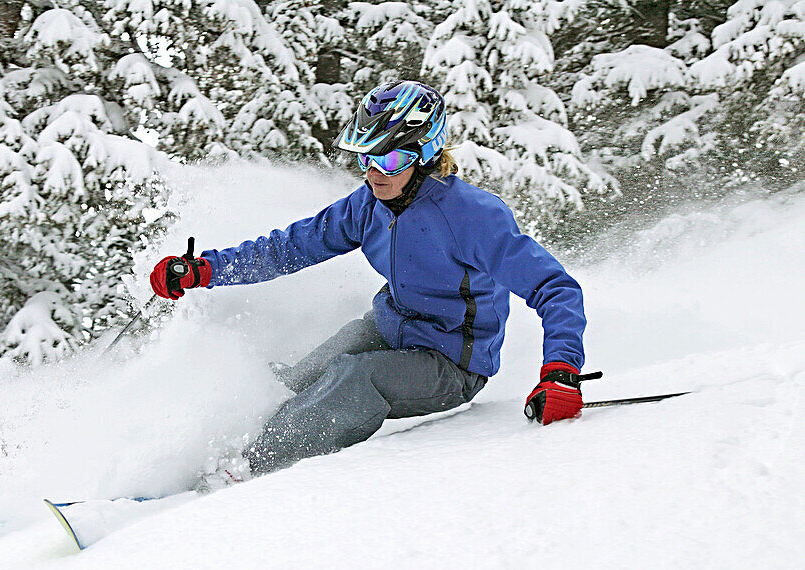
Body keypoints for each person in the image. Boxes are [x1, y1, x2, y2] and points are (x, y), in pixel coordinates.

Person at [149, 80, 590, 486]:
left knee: (354, 379)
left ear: (425, 153)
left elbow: (556, 288)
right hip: (390, 328)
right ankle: (224, 448)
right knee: (299, 379)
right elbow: (292, 246)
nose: (374, 172)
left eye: (389, 158)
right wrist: (204, 269)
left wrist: (561, 372)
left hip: (454, 362)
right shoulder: (369, 203)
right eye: (365, 157)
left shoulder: (473, 216)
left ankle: (245, 472)